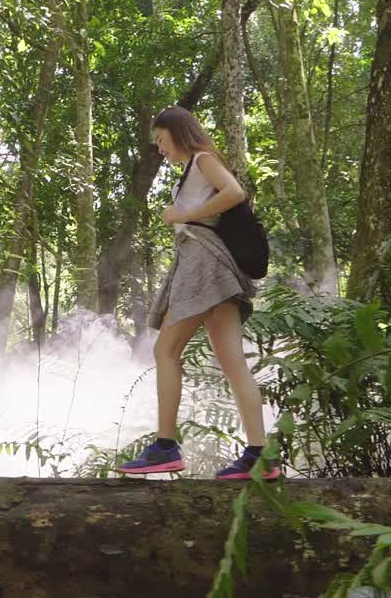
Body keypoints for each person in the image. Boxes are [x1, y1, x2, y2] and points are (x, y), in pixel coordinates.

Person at [115, 105, 280, 480]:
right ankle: (261, 455)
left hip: (204, 263)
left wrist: (182, 215)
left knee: (166, 349)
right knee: (232, 360)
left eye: (161, 140)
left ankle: (165, 447)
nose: (160, 149)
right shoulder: (193, 170)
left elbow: (234, 192)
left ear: (178, 132)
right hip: (213, 265)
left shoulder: (203, 159)